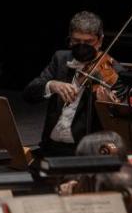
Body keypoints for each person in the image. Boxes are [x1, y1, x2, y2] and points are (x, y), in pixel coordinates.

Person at [23, 11, 125, 156]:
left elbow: (119, 124)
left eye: (88, 42)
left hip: (86, 153)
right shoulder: (60, 59)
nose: (82, 46)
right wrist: (51, 85)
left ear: (100, 40)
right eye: (76, 41)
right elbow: (28, 94)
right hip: (50, 147)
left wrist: (106, 107)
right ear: (70, 39)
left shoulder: (114, 72)